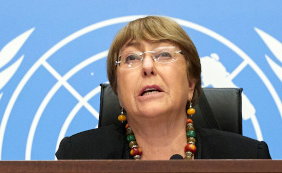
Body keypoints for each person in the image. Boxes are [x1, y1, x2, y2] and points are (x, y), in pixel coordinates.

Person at [56, 16, 270, 160]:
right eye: (131, 58)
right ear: (118, 94)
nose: (148, 66)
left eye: (163, 54)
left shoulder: (248, 157)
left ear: (190, 84)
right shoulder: (78, 157)